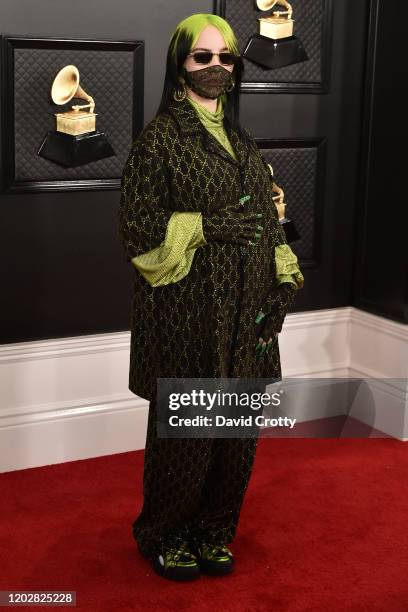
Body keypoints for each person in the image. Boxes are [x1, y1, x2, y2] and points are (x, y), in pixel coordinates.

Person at [118, 13, 304, 582]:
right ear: (180, 65)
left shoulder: (244, 142)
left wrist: (283, 284)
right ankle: (167, 534)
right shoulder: (159, 143)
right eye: (203, 57)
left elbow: (270, 223)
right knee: (188, 436)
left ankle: (213, 531)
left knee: (237, 438)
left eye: (226, 57)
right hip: (187, 316)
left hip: (248, 312)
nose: (217, 67)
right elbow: (138, 230)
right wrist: (204, 225)